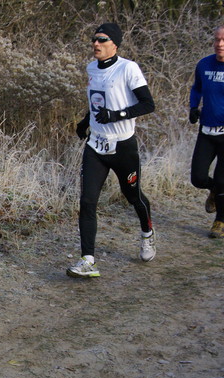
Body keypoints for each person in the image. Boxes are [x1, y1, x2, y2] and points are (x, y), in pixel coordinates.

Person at [67, 23, 156, 278]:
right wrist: (86, 121)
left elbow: (148, 104)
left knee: (133, 197)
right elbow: (97, 101)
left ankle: (147, 233)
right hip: (96, 144)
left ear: (114, 44)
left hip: (123, 146)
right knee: (87, 201)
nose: (96, 44)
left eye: (102, 40)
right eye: (94, 40)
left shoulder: (128, 68)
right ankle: (88, 260)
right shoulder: (91, 68)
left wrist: (117, 115)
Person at [188, 25, 224, 239]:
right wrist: (193, 107)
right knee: (198, 177)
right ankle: (214, 192)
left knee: (222, 179)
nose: (220, 44)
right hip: (207, 130)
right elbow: (197, 88)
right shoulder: (204, 64)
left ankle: (220, 220)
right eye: (217, 39)